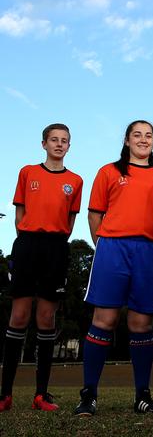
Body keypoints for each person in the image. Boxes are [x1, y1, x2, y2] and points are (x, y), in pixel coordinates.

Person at [74, 120, 153, 416]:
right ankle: (89, 394)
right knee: (104, 320)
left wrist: (151, 238)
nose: (143, 140)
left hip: (149, 251)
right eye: (137, 135)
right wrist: (104, 246)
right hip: (112, 249)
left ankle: (142, 395)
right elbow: (94, 215)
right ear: (127, 140)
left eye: (149, 135)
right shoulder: (109, 172)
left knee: (141, 324)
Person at [0, 124, 82, 412]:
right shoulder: (28, 173)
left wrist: (54, 241)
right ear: (44, 144)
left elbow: (70, 222)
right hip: (26, 246)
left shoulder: (76, 180)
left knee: (46, 318)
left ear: (69, 147)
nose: (59, 145)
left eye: (64, 141)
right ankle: (5, 395)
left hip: (56, 248)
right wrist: (27, 237)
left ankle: (41, 395)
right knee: (19, 315)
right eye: (54, 140)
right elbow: (19, 213)